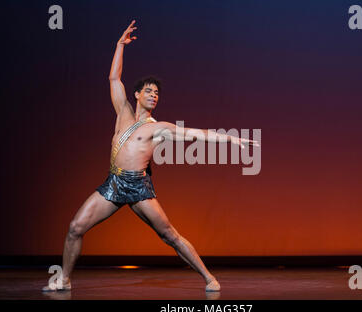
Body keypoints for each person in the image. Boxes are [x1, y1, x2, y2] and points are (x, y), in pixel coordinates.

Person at [42, 20, 259, 293]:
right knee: (75, 227)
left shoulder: (158, 128)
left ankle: (208, 277)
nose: (154, 95)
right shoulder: (122, 113)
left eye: (157, 93)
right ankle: (64, 279)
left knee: (170, 236)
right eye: (149, 91)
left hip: (138, 186)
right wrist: (120, 45)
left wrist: (231, 138)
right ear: (137, 94)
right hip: (114, 183)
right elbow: (113, 79)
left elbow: (196, 134)